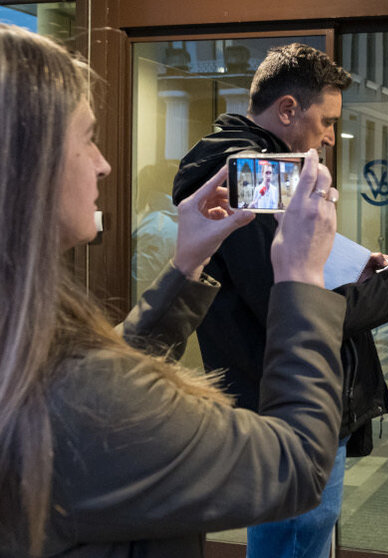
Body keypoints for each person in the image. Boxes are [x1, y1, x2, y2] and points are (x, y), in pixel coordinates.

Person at [0, 24, 347, 557]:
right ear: (26, 163)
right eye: (88, 137)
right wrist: (301, 279)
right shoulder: (80, 396)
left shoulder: (23, 345)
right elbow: (295, 466)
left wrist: (186, 266)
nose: (104, 163)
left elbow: (99, 371)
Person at [172, 43, 388, 558]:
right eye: (326, 121)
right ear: (287, 109)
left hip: (297, 395)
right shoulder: (252, 179)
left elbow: (298, 273)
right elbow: (295, 309)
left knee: (303, 536)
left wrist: (356, 264)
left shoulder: (261, 172)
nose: (331, 137)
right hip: (287, 401)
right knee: (294, 541)